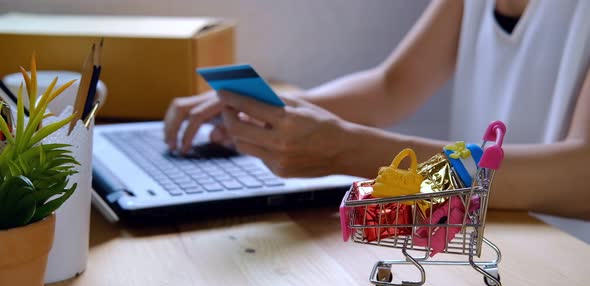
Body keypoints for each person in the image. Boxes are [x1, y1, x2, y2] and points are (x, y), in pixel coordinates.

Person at [163, 0, 590, 220]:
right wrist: (271, 110)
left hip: (563, 270)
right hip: (485, 234)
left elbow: (581, 177)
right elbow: (391, 86)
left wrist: (347, 151)